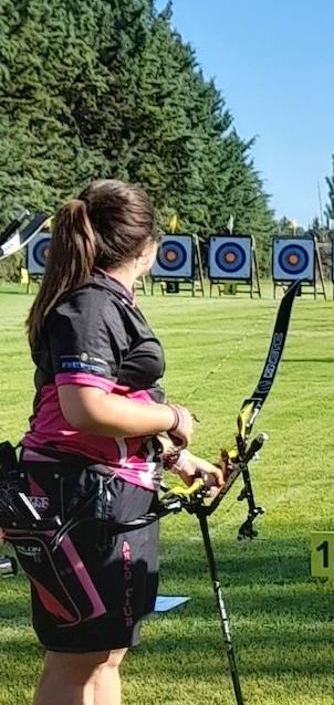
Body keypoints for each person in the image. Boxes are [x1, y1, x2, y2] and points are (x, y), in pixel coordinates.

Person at [13, 180, 223, 705]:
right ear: (147, 248)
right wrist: (172, 416)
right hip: (78, 497)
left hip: (102, 489)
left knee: (104, 651)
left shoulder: (101, 299)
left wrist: (176, 457)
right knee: (76, 656)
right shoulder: (90, 304)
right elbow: (85, 408)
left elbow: (119, 397)